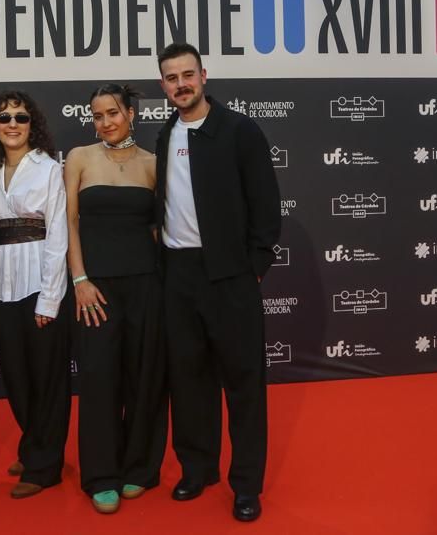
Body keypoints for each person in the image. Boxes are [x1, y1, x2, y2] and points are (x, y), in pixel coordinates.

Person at [154, 43, 281, 522]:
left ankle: (246, 484)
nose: (181, 84)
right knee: (188, 379)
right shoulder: (166, 135)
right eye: (171, 78)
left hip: (230, 275)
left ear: (204, 76)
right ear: (163, 85)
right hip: (178, 273)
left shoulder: (240, 130)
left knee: (244, 382)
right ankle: (197, 468)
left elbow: (266, 205)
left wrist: (253, 266)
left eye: (188, 74)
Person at [64, 83, 169, 514]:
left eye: (112, 113)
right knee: (99, 378)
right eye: (97, 115)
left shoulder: (153, 164)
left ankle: (139, 468)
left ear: (131, 114)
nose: (104, 122)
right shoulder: (79, 158)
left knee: (144, 378)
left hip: (147, 283)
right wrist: (80, 279)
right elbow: (69, 221)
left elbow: (163, 229)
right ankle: (101, 475)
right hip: (96, 289)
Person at [0, 90, 72, 499]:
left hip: (39, 280)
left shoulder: (49, 169)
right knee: (16, 375)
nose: (12, 124)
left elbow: (58, 234)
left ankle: (45, 465)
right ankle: (35, 444)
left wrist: (49, 298)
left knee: (47, 377)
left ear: (32, 125)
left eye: (20, 117)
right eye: (4, 118)